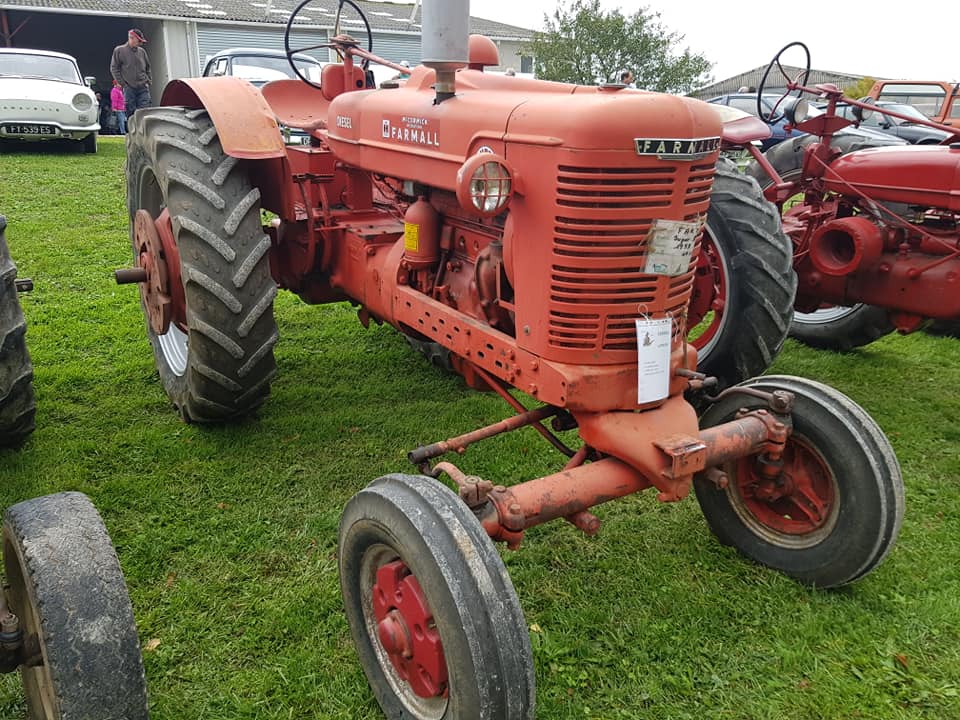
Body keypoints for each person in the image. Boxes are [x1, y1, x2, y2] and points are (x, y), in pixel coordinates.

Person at [110, 28, 152, 118]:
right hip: (129, 88)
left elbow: (148, 67)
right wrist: (123, 83)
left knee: (145, 111)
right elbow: (114, 68)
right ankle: (133, 131)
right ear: (131, 38)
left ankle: (143, 131)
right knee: (131, 112)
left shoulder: (142, 52)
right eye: (139, 41)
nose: (140, 43)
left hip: (143, 87)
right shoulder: (119, 51)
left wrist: (148, 81)